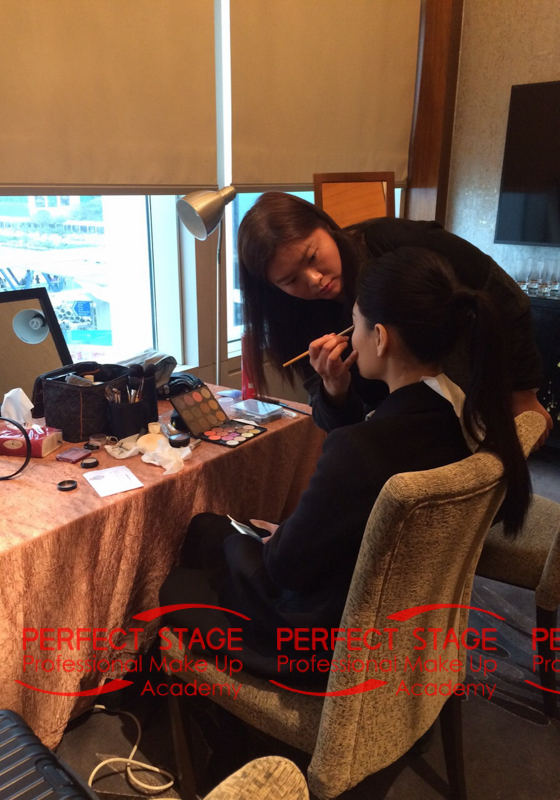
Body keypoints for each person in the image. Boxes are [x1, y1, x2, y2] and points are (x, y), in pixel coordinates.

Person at [158, 247, 531, 688]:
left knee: (197, 553)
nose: (349, 340)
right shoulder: (457, 410)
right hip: (400, 620)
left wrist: (268, 538)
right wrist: (336, 391)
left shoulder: (358, 449)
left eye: (353, 324)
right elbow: (366, 473)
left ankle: (216, 714)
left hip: (324, 643)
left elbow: (285, 568)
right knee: (220, 532)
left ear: (380, 337)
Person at [238, 192, 552, 442]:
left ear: (325, 226)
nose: (315, 279)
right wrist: (334, 388)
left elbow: (505, 296)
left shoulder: (392, 241)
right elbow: (339, 423)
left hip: (471, 396)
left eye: (312, 257)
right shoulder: (294, 320)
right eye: (291, 280)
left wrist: (522, 392)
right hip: (400, 428)